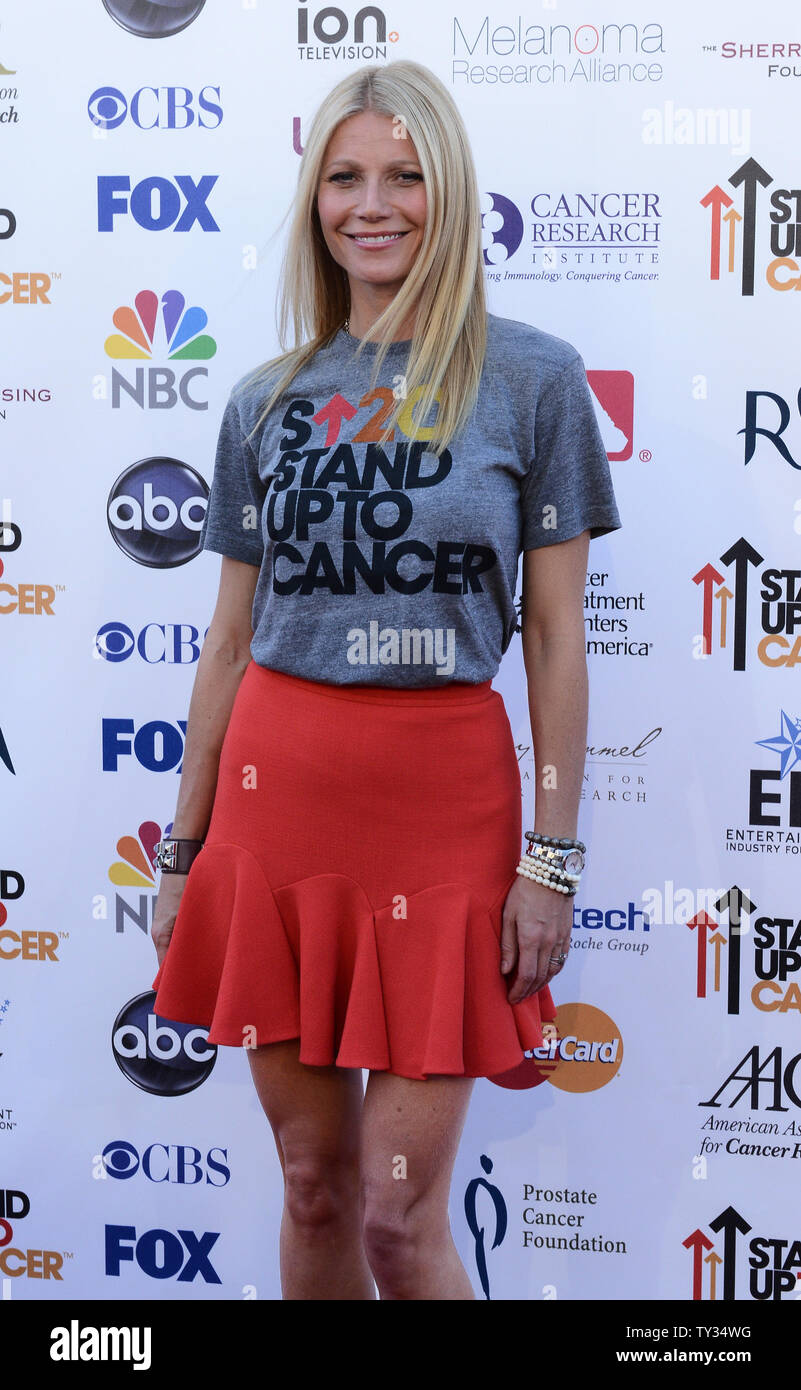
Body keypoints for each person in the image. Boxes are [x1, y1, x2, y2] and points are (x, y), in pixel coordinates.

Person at [150, 58, 622, 1301]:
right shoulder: (267, 401)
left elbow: (559, 640)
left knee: (396, 1224)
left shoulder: (533, 378)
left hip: (445, 815)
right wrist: (183, 850)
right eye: (346, 176)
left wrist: (550, 860)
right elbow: (226, 641)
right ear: (314, 199)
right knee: (313, 1185)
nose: (374, 203)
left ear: (449, 192)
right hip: (276, 808)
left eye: (406, 175)